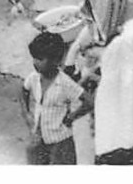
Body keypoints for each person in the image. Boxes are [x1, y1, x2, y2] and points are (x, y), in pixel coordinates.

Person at [22, 31, 88, 165]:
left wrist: (72, 117)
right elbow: (23, 89)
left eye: (40, 59)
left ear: (56, 61)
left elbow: (89, 101)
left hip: (60, 140)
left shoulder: (65, 83)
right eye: (34, 57)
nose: (35, 62)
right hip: (40, 137)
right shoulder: (34, 77)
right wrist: (26, 112)